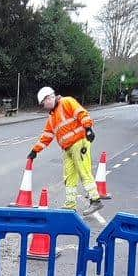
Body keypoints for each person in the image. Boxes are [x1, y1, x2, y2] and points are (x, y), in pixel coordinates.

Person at [27, 86, 103, 216]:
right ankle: (70, 205)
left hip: (79, 142)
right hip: (67, 148)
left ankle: (95, 200)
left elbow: (81, 114)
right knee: (69, 177)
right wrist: (35, 150)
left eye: (43, 103)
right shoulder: (52, 117)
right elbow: (47, 136)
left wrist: (88, 128)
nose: (43, 106)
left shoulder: (67, 102)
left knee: (83, 171)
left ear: (49, 98)